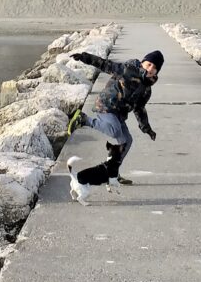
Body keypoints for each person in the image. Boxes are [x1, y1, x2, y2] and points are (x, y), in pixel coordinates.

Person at [66, 49, 163, 190]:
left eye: (155, 68)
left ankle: (112, 173)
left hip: (119, 114)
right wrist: (84, 57)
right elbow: (106, 65)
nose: (150, 69)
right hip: (106, 105)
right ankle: (84, 120)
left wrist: (146, 128)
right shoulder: (127, 69)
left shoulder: (147, 89)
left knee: (126, 141)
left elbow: (139, 109)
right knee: (115, 131)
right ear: (143, 62)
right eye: (149, 64)